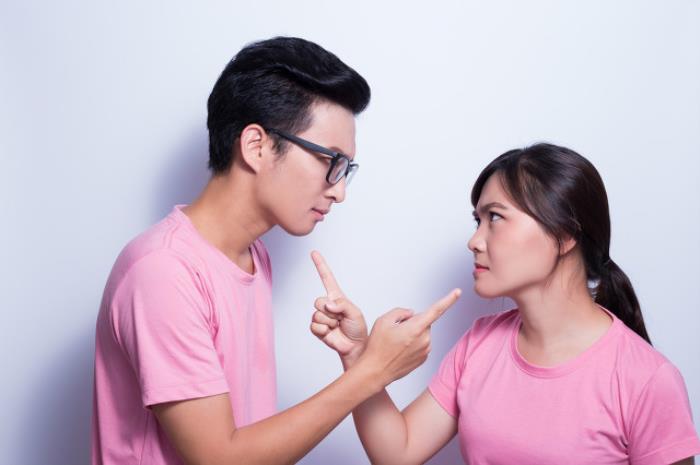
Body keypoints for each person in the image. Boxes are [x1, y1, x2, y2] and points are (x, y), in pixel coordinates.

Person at [91, 36, 461, 465]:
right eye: (331, 162)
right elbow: (220, 459)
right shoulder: (161, 271)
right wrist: (371, 370)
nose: (339, 191)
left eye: (346, 169)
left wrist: (359, 357)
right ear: (257, 146)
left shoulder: (253, 256)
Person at [311, 143, 700, 464]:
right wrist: (358, 355)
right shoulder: (481, 343)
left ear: (565, 234)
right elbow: (399, 453)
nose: (474, 241)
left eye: (495, 218)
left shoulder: (647, 380)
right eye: (477, 221)